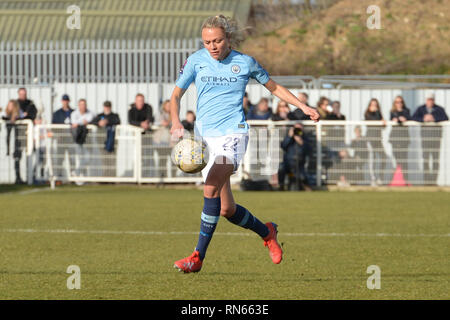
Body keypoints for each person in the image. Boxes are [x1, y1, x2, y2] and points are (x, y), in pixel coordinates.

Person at [169, 15, 320, 273]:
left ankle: (197, 257)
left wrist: (303, 106)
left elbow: (274, 88)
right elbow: (175, 96)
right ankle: (267, 232)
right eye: (207, 42)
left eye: (217, 40)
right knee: (226, 209)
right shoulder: (195, 60)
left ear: (227, 38)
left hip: (233, 134)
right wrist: (175, 122)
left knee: (210, 187)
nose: (212, 46)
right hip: (206, 140)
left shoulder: (244, 62)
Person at [412, 91, 448, 184]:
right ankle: (427, 181)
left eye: (431, 100)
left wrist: (434, 118)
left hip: (436, 139)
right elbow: (414, 117)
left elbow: (445, 118)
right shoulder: (421, 109)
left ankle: (434, 181)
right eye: (428, 100)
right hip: (425, 138)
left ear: (434, 100)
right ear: (426, 100)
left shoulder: (439, 109)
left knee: (435, 160)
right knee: (426, 160)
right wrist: (423, 119)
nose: (430, 102)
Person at [277, 123, 312, 191]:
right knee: (281, 168)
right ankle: (281, 186)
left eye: (299, 129)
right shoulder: (289, 137)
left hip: (299, 164)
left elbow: (309, 150)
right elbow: (283, 146)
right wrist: (289, 136)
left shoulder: (305, 138)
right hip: (288, 164)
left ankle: (306, 187)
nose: (297, 130)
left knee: (303, 177)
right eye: (296, 129)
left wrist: (301, 142)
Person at [51, 94, 75, 180]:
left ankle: (73, 176)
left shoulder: (73, 112)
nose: (65, 102)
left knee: (72, 158)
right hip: (61, 139)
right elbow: (53, 126)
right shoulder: (57, 113)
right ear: (62, 101)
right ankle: (58, 176)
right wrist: (58, 135)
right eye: (64, 100)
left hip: (71, 139)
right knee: (59, 158)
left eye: (66, 100)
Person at [364, 98, 388, 185]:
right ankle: (373, 179)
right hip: (370, 139)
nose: (374, 106)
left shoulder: (379, 113)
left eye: (375, 105)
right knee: (372, 158)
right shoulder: (367, 113)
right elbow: (371, 121)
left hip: (378, 140)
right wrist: (376, 113)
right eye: (372, 104)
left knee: (383, 157)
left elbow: (382, 126)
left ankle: (380, 178)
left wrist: (383, 122)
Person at [2, 100, 25, 184]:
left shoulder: (19, 114)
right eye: (9, 105)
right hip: (7, 141)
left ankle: (18, 177)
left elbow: (22, 118)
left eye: (12, 105)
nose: (10, 107)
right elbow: (3, 118)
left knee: (17, 159)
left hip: (16, 141)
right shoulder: (5, 114)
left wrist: (16, 117)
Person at [389, 95, 411, 180]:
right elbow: (392, 119)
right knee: (396, 160)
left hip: (404, 139)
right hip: (394, 139)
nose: (399, 104)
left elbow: (410, 117)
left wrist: (405, 119)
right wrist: (397, 119)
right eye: (397, 102)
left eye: (400, 102)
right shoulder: (392, 112)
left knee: (404, 160)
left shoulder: (406, 111)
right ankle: (395, 179)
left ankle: (405, 180)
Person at [70, 99, 94, 176]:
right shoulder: (74, 113)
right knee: (76, 158)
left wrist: (78, 122)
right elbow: (74, 123)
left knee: (87, 157)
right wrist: (81, 122)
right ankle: (78, 176)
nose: (83, 106)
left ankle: (77, 172)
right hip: (76, 140)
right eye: (81, 104)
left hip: (86, 140)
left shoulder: (90, 113)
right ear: (78, 105)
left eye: (84, 104)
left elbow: (89, 119)